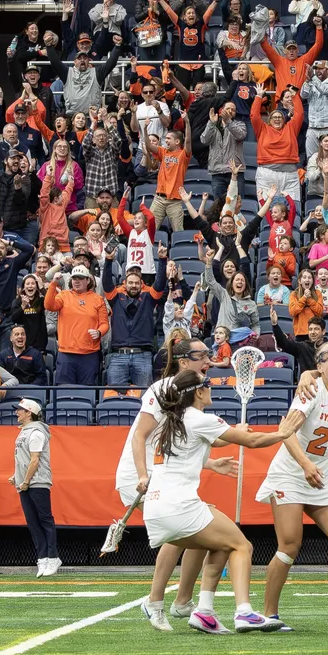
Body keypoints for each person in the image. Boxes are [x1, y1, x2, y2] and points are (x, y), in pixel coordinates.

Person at [142, 369, 299, 633]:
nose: (212, 388)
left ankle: (204, 612)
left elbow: (198, 447)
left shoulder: (170, 421)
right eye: (208, 385)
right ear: (199, 392)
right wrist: (282, 434)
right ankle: (244, 612)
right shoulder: (198, 418)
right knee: (242, 546)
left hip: (156, 511)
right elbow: (252, 440)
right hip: (179, 508)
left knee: (221, 545)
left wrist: (214, 463)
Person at [119, 337, 237, 631]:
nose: (208, 361)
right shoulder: (163, 389)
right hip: (145, 476)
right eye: (202, 356)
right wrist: (143, 475)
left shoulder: (190, 393)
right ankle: (155, 601)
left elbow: (178, 444)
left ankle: (183, 601)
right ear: (183, 362)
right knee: (180, 531)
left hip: (162, 473)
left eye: (209, 355)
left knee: (201, 529)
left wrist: (210, 463)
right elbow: (140, 437)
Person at [254, 340, 328, 631]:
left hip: (321, 478)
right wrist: (306, 465)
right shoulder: (310, 390)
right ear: (318, 366)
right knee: (290, 543)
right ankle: (270, 614)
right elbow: (287, 433)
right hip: (291, 474)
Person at [103, 245, 167, 387]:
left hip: (142, 355)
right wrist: (108, 260)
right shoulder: (116, 298)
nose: (133, 286)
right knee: (115, 398)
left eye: (137, 283)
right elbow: (107, 284)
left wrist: (162, 260)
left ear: (141, 284)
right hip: (118, 355)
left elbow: (160, 284)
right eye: (130, 283)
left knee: (143, 397)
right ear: (125, 284)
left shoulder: (148, 298)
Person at [10, 398, 60, 577]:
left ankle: (52, 557)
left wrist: (25, 481)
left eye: (20, 410)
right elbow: (26, 459)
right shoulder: (25, 431)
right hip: (27, 482)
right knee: (33, 522)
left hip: (37, 482)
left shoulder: (36, 432)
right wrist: (18, 478)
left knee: (44, 520)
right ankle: (43, 558)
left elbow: (35, 459)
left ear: (29, 413)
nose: (17, 412)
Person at [44, 265, 108, 385]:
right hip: (66, 353)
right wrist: (53, 284)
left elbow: (104, 323)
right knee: (64, 392)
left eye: (80, 278)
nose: (77, 281)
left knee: (87, 392)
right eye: (74, 278)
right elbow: (49, 305)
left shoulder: (98, 299)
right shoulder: (64, 295)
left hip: (89, 354)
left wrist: (99, 332)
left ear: (88, 280)